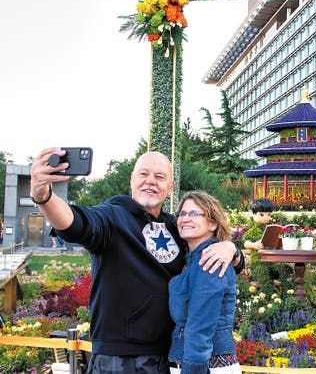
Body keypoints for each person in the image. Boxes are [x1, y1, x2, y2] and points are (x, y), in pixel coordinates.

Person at [30, 147, 245, 374]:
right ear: (132, 180)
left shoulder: (177, 226)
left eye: (159, 176)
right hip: (121, 358)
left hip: (171, 356)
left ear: (170, 188)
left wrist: (231, 248)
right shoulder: (111, 217)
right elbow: (76, 223)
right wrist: (44, 196)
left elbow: (229, 265)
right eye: (143, 174)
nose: (150, 181)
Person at [169, 191, 240, 374]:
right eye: (182, 214)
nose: (185, 219)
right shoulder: (195, 261)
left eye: (194, 214)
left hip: (205, 366)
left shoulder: (209, 261)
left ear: (212, 223)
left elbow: (200, 327)